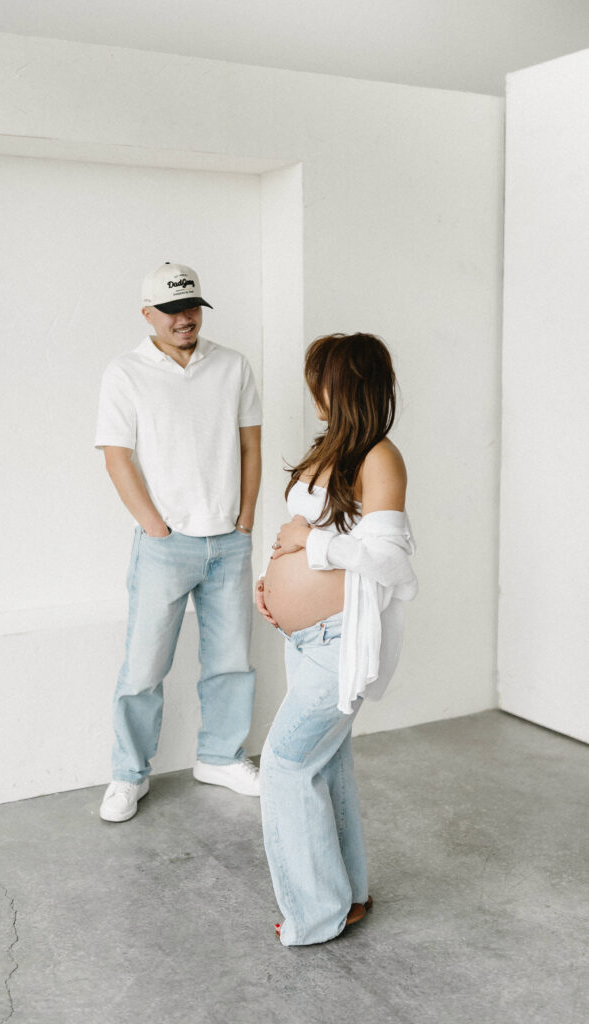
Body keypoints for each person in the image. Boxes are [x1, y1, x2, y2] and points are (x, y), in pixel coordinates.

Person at [255, 332, 417, 946]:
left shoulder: (379, 457)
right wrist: (272, 582)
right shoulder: (330, 447)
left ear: (346, 385)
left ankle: (315, 913)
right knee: (325, 764)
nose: (313, 391)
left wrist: (308, 546)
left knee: (284, 765)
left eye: (320, 380)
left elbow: (391, 562)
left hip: (338, 641)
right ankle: (347, 895)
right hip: (305, 639)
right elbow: (304, 530)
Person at [94, 261, 262, 823]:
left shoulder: (233, 365)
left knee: (231, 661)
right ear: (148, 314)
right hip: (166, 545)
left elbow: (250, 446)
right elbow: (116, 457)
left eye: (191, 307)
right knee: (143, 667)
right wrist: (155, 527)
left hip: (229, 540)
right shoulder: (125, 372)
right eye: (170, 311)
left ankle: (221, 757)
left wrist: (245, 519)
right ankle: (128, 773)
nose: (184, 318)